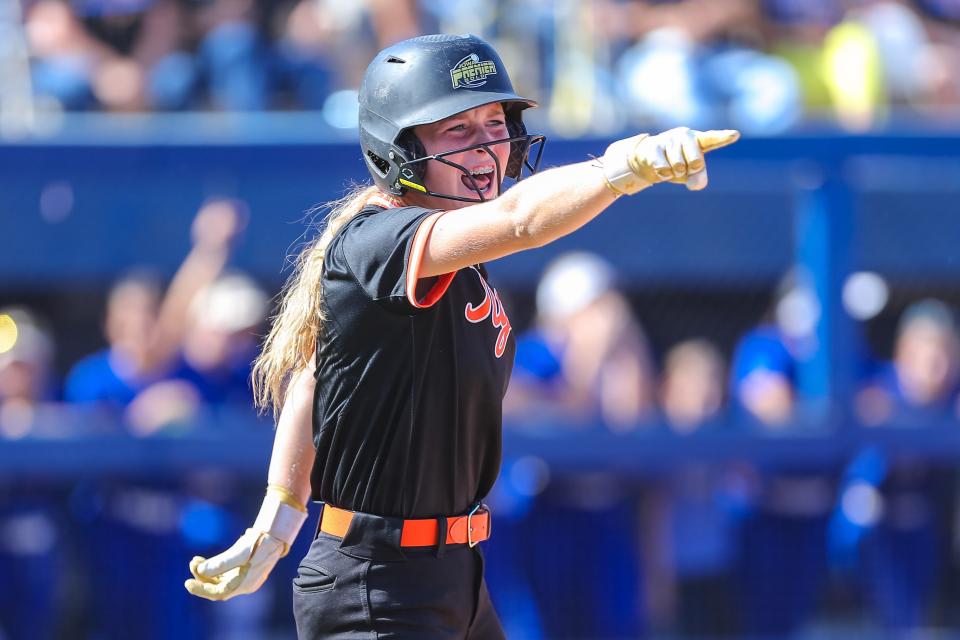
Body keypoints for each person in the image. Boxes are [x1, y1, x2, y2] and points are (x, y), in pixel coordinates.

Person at [183, 32, 738, 638]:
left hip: (451, 573)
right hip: (377, 583)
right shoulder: (380, 237)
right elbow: (519, 219)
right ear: (398, 150)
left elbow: (317, 375)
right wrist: (621, 168)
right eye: (457, 130)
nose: (486, 148)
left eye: (495, 123)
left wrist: (280, 514)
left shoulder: (442, 254)